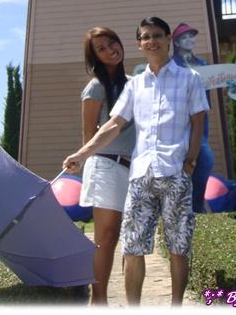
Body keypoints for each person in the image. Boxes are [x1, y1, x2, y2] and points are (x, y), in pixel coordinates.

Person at [63, 16, 209, 306]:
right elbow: (113, 124)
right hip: (139, 174)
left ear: (168, 39)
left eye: (157, 35)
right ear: (139, 44)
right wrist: (82, 154)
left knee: (179, 246)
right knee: (131, 247)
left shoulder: (190, 78)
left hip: (174, 171)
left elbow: (198, 122)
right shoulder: (134, 86)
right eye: (146, 37)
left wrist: (190, 163)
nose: (152, 41)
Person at [79, 27, 135, 305]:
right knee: (107, 236)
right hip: (105, 165)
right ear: (95, 58)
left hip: (134, 168)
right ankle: (99, 301)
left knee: (132, 238)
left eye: (112, 42)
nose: (110, 50)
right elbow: (89, 135)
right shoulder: (96, 87)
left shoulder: (135, 84)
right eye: (101, 49)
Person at [172, 22, 214, 213]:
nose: (190, 40)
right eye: (185, 37)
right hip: (179, 118)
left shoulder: (203, 64)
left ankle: (196, 205)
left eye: (192, 36)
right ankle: (183, 206)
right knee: (198, 158)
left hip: (201, 117)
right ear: (176, 42)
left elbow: (216, 84)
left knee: (203, 158)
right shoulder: (171, 65)